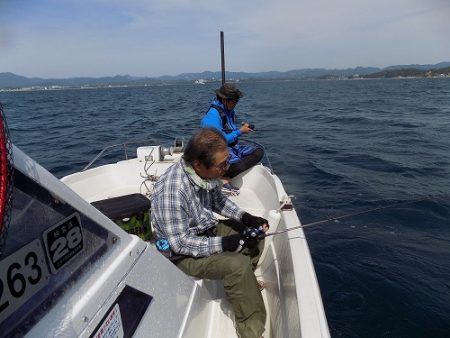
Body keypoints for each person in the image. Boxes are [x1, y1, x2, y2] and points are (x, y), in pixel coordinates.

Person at [151, 128, 269, 338]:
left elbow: (217, 201)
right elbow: (180, 244)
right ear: (198, 164)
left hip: (205, 231)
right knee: (237, 265)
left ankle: (246, 282)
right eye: (222, 164)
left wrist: (246, 218)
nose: (227, 167)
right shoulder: (172, 190)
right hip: (181, 254)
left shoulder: (203, 174)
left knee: (254, 233)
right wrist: (225, 244)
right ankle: (251, 331)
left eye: (227, 162)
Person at [201, 83, 264, 188]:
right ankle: (221, 176)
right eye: (234, 102)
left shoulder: (229, 112)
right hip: (218, 151)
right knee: (237, 163)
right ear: (225, 100)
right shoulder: (212, 116)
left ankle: (227, 172)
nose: (236, 104)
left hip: (232, 147)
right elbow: (218, 142)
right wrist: (240, 132)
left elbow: (229, 130)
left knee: (258, 151)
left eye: (236, 101)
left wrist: (243, 128)